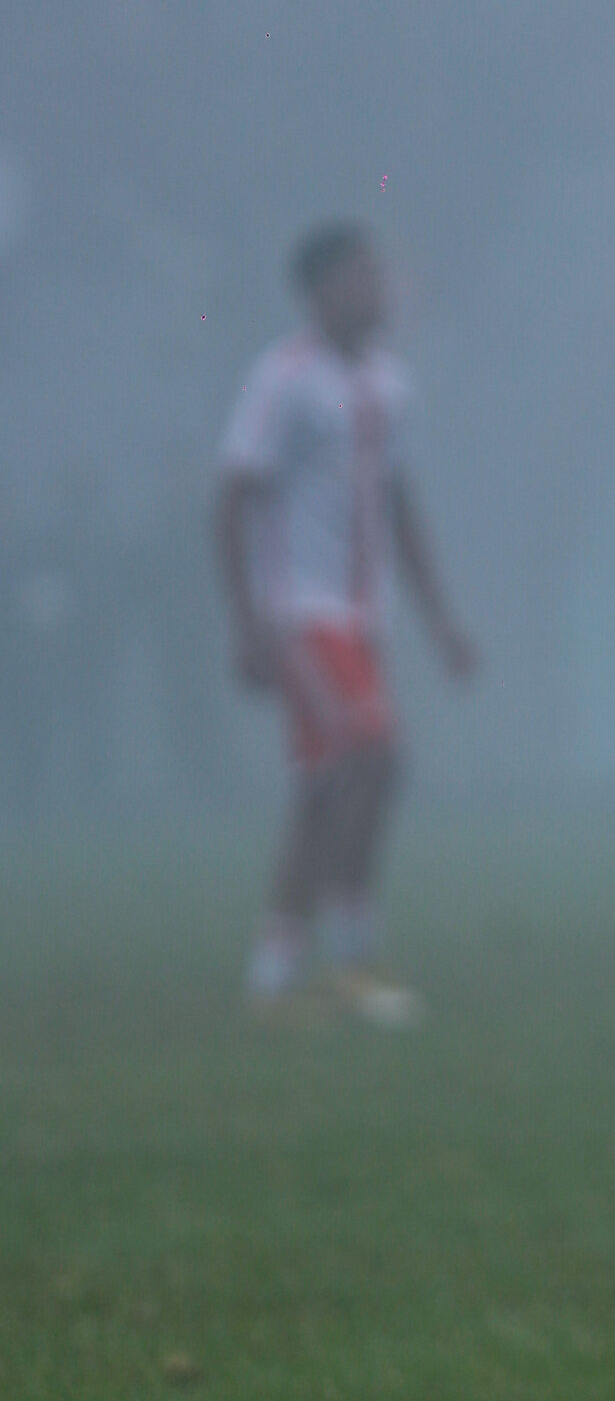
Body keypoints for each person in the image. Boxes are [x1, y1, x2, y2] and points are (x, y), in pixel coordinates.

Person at [216, 223, 475, 1021]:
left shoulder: (389, 384)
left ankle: (277, 963)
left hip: (363, 616)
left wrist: (440, 621)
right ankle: (351, 954)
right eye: (363, 277)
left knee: (327, 784)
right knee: (373, 758)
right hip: (304, 611)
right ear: (322, 289)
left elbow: (398, 504)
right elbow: (232, 497)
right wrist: (248, 625)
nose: (379, 292)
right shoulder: (283, 379)